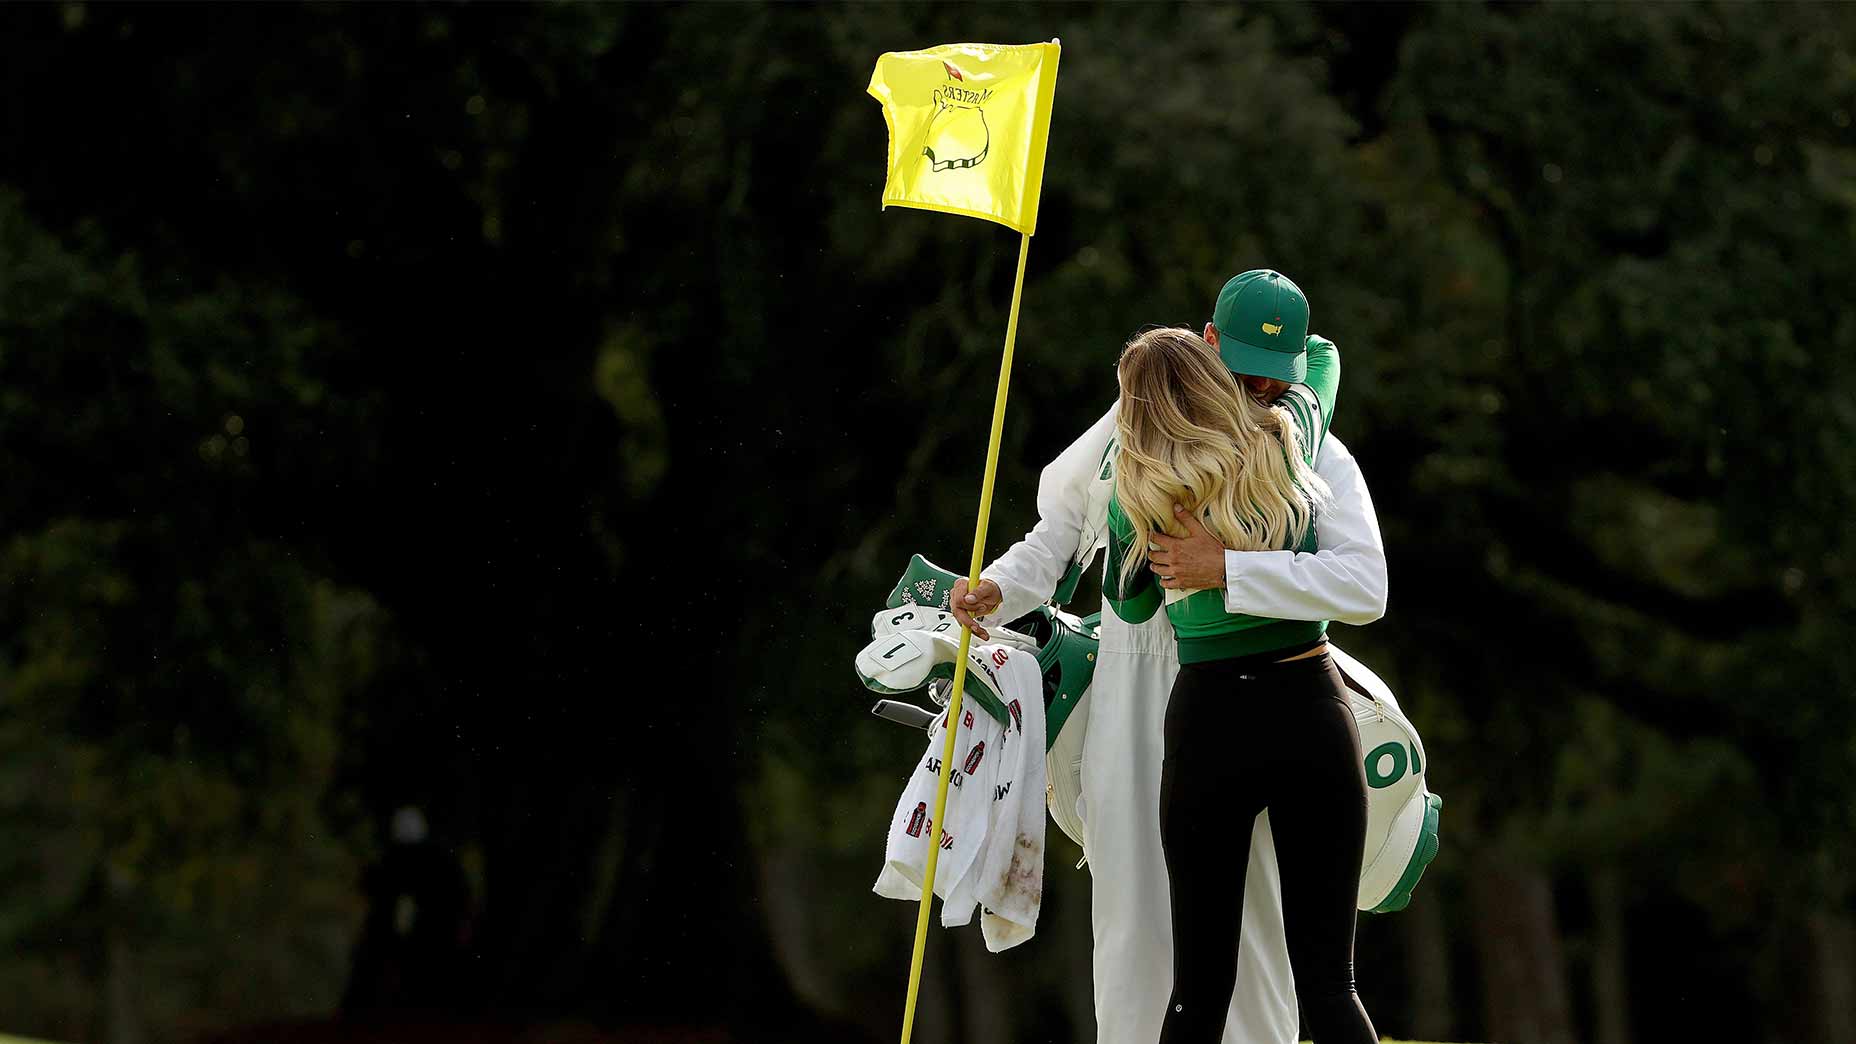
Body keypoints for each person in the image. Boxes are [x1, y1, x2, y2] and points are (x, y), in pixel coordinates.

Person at [952, 271, 1386, 1044]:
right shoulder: (1135, 421)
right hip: (1139, 682)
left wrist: (1229, 569)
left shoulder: (1302, 441)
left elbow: (1360, 581)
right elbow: (1060, 530)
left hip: (1248, 683)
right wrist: (999, 588)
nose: (1259, 389)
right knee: (1133, 903)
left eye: (1273, 378)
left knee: (1264, 924)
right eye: (1245, 369)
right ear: (1210, 344)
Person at [1103, 322, 1376, 1042]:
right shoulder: (1291, 441)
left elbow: (1128, 602)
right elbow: (1324, 358)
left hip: (1210, 723)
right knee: (1330, 988)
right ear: (1213, 362)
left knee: (1199, 991)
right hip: (1308, 706)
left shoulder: (1136, 484)